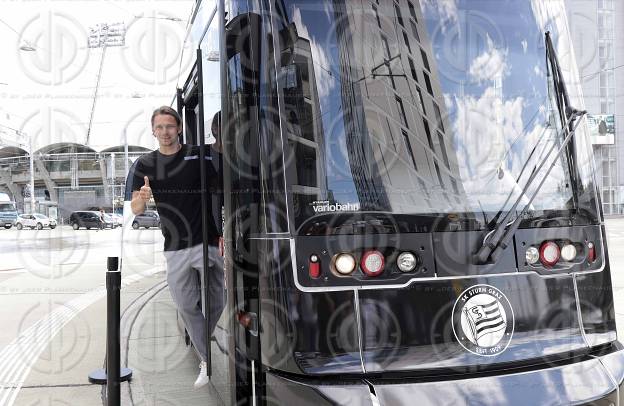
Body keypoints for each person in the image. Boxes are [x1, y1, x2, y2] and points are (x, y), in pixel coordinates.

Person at [130, 106, 224, 389]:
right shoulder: (144, 164)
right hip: (175, 247)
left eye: (170, 126)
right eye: (159, 128)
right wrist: (143, 197)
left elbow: (224, 176)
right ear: (153, 130)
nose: (165, 132)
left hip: (208, 241)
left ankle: (201, 341)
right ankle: (206, 358)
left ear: (179, 127)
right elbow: (135, 209)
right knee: (185, 305)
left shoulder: (200, 154)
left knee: (220, 300)